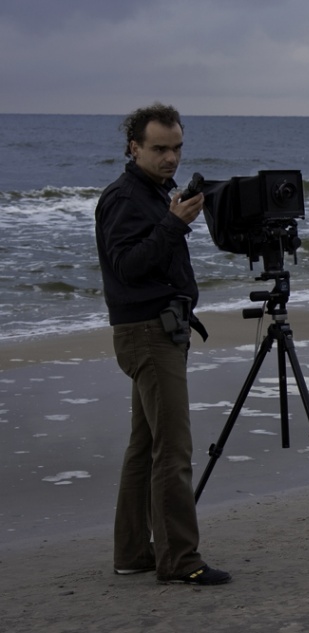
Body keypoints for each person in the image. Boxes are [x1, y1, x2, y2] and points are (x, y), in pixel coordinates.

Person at [95, 102, 231, 585]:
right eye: (159, 149)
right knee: (173, 450)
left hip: (158, 328)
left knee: (146, 446)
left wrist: (177, 218)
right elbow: (128, 265)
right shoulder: (124, 198)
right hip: (147, 333)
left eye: (176, 148)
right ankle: (180, 560)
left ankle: (133, 552)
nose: (170, 158)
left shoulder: (155, 194)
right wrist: (174, 224)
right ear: (134, 147)